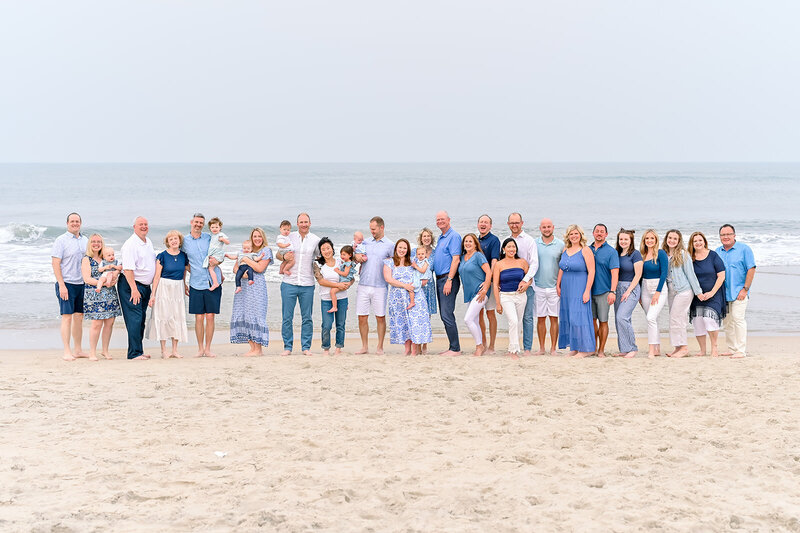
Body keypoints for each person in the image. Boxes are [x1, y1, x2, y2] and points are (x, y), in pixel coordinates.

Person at [278, 213, 320, 356]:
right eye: (301, 222)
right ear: (297, 223)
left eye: (306, 222)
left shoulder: (315, 240)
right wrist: (283, 256)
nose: (304, 224)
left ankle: (306, 347)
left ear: (310, 223)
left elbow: (322, 258)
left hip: (307, 284)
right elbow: (278, 254)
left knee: (307, 317)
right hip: (289, 283)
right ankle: (287, 347)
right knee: (287, 317)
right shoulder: (289, 236)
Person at [383, 239, 432, 355]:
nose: (402, 250)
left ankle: (415, 350)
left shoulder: (412, 261)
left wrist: (419, 284)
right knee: (403, 323)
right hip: (398, 297)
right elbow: (389, 279)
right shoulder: (389, 262)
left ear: (408, 250)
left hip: (414, 296)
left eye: (405, 248)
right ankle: (407, 349)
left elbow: (424, 273)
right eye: (400, 247)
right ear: (396, 248)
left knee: (414, 322)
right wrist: (405, 286)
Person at [183, 213, 223, 358]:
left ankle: (208, 349)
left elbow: (219, 254)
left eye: (201, 223)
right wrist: (184, 282)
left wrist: (218, 264)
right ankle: (200, 349)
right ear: (191, 222)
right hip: (196, 283)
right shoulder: (184, 241)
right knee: (199, 318)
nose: (198, 225)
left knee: (211, 316)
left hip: (213, 281)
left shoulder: (210, 238)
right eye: (196, 222)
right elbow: (183, 263)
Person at [146, 230, 190, 358]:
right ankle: (164, 350)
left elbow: (185, 271)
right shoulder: (162, 256)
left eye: (176, 238)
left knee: (177, 317)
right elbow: (156, 277)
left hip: (178, 288)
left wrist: (184, 284)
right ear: (167, 242)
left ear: (180, 240)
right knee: (163, 317)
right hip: (163, 288)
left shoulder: (183, 256)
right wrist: (152, 295)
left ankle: (175, 350)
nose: (174, 241)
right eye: (171, 239)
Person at [51, 212, 89, 361]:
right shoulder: (61, 240)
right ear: (67, 223)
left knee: (79, 317)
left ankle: (78, 350)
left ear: (80, 223)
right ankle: (67, 351)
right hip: (66, 283)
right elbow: (55, 263)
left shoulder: (85, 240)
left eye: (77, 221)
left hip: (82, 284)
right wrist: (61, 285)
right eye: (72, 221)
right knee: (67, 317)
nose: (75, 223)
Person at [230, 228, 273, 356]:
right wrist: (244, 275)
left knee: (257, 314)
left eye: (259, 236)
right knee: (244, 313)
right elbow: (235, 269)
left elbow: (259, 268)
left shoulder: (266, 251)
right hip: (244, 287)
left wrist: (246, 260)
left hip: (257, 286)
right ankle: (252, 348)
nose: (257, 238)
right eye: (255, 236)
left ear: (263, 237)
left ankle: (258, 349)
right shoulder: (247, 249)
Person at [354, 216, 394, 355]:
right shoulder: (365, 242)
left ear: (381, 227)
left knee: (380, 317)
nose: (371, 231)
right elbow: (357, 256)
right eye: (370, 229)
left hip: (380, 286)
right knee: (362, 317)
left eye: (374, 229)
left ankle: (380, 347)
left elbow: (395, 264)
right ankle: (364, 346)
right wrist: (357, 257)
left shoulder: (390, 245)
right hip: (363, 284)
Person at [118, 216, 157, 360]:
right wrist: (134, 289)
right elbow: (128, 270)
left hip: (145, 286)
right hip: (131, 286)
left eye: (146, 224)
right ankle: (134, 353)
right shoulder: (130, 244)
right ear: (134, 227)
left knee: (141, 320)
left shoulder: (148, 242)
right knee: (135, 319)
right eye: (140, 224)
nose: (144, 226)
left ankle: (138, 351)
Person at [716, 224, 756, 358]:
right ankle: (732, 348)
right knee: (727, 322)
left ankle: (741, 350)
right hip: (723, 294)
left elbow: (751, 269)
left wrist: (745, 289)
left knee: (738, 319)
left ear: (734, 235)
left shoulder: (744, 249)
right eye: (723, 235)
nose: (726, 237)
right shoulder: (717, 251)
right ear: (720, 237)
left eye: (728, 234)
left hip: (740, 292)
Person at [557, 225, 596, 357]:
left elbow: (592, 272)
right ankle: (574, 347)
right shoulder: (565, 249)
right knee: (568, 317)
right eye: (571, 234)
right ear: (568, 236)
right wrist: (558, 285)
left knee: (578, 318)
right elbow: (562, 268)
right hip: (567, 288)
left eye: (576, 234)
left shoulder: (585, 250)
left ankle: (587, 349)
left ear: (580, 235)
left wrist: (587, 291)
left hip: (580, 287)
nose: (574, 236)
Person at [662, 229, 702, 358]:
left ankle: (684, 347)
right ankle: (677, 347)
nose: (672, 240)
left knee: (678, 318)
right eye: (670, 238)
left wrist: (698, 292)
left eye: (675, 238)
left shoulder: (684, 254)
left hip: (684, 290)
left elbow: (691, 275)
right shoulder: (664, 254)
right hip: (671, 291)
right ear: (666, 239)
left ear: (679, 241)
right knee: (674, 319)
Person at [81, 233, 121, 360]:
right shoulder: (87, 259)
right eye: (93, 241)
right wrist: (103, 284)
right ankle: (92, 352)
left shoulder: (107, 258)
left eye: (99, 241)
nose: (96, 244)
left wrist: (114, 279)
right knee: (96, 324)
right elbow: (87, 279)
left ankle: (105, 351)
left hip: (110, 294)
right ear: (89, 244)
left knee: (109, 322)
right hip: (95, 294)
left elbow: (115, 272)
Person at [688, 231, 727, 357]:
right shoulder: (690, 258)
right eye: (695, 241)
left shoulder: (713, 255)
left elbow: (721, 276)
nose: (698, 243)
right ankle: (702, 350)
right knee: (698, 322)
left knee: (709, 319)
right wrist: (697, 293)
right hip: (696, 295)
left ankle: (714, 348)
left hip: (713, 294)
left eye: (700, 240)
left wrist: (711, 293)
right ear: (692, 244)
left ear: (704, 241)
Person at [505, 213, 538, 356]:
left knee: (527, 317)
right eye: (512, 223)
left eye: (517, 222)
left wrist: (526, 281)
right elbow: (503, 261)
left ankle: (528, 348)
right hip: (509, 288)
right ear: (508, 224)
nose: (514, 225)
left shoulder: (529, 240)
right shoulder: (506, 241)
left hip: (528, 285)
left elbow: (534, 263)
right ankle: (514, 347)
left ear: (522, 223)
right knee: (513, 319)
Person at [314, 238, 352, 355]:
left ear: (332, 249)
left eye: (328, 248)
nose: (326, 251)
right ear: (320, 252)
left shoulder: (341, 263)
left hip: (342, 299)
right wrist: (337, 285)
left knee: (340, 324)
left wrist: (346, 285)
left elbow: (351, 277)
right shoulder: (319, 266)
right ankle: (326, 348)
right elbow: (321, 281)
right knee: (326, 325)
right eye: (323, 249)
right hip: (326, 299)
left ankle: (338, 348)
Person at [492, 238, 529, 358]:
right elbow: (495, 284)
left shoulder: (522, 262)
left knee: (517, 323)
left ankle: (512, 348)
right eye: (509, 247)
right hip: (506, 296)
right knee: (513, 321)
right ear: (504, 249)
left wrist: (527, 285)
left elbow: (529, 278)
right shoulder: (499, 264)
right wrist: (498, 303)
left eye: (513, 247)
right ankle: (514, 351)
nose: (511, 249)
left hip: (521, 296)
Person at [432, 211, 462, 356]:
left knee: (446, 313)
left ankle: (455, 348)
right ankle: (452, 346)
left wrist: (449, 280)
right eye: (438, 220)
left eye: (442, 219)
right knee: (445, 314)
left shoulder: (454, 236)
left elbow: (456, 259)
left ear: (449, 220)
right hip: (439, 279)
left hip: (448, 279)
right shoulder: (441, 237)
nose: (440, 221)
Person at [458, 233, 492, 356]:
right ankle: (481, 345)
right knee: (475, 321)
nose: (467, 243)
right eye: (466, 241)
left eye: (470, 241)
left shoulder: (478, 256)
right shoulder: (462, 257)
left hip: (480, 292)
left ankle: (479, 345)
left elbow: (489, 272)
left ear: (475, 244)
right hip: (469, 293)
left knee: (468, 319)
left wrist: (485, 289)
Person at [589, 223, 619, 357]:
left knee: (603, 321)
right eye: (597, 231)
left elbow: (615, 273)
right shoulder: (587, 249)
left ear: (606, 234)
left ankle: (601, 350)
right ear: (593, 233)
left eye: (602, 231)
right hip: (589, 292)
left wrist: (612, 291)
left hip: (604, 291)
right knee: (591, 321)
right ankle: (593, 348)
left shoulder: (611, 252)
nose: (599, 233)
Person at [534, 218, 563, 355]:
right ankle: (541, 348)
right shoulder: (534, 244)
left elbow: (564, 266)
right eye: (544, 227)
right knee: (540, 318)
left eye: (549, 227)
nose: (546, 229)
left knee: (554, 318)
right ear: (540, 228)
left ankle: (553, 348)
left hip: (554, 287)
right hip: (538, 286)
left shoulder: (561, 244)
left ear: (553, 227)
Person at [613, 228, 642, 358]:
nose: (623, 241)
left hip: (631, 288)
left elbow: (638, 275)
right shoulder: (616, 254)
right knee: (619, 319)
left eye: (626, 239)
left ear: (631, 241)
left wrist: (628, 291)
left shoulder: (635, 254)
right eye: (621, 239)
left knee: (622, 317)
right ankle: (624, 349)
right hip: (618, 288)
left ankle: (632, 348)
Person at [639, 229, 669, 358]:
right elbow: (640, 276)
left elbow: (664, 273)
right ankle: (657, 348)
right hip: (645, 289)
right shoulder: (642, 255)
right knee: (652, 319)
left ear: (656, 240)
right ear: (644, 241)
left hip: (659, 289)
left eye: (652, 238)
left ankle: (651, 350)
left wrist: (658, 292)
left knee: (650, 318)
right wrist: (639, 294)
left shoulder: (661, 253)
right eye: (647, 238)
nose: (649, 241)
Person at [477, 215, 500, 354]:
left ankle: (492, 346)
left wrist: (489, 282)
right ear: (478, 224)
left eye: (486, 222)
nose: (483, 224)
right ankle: (483, 343)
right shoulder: (475, 240)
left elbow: (494, 262)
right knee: (478, 314)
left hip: (489, 282)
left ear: (490, 226)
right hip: (477, 283)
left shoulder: (494, 240)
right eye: (481, 222)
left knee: (490, 314)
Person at [204, 217, 230, 290]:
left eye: (216, 227)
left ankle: (215, 283)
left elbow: (228, 242)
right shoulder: (212, 235)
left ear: (220, 227)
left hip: (217, 254)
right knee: (215, 266)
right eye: (212, 227)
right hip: (214, 253)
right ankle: (222, 277)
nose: (214, 229)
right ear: (210, 228)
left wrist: (223, 239)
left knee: (211, 268)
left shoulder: (220, 235)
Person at [328, 245, 355, 312]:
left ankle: (334, 307)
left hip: (344, 282)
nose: (342, 256)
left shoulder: (348, 264)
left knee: (332, 291)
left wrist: (337, 271)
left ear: (350, 255)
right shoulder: (346, 263)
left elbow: (345, 274)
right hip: (344, 281)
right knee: (336, 292)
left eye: (344, 254)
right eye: (341, 254)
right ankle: (345, 305)